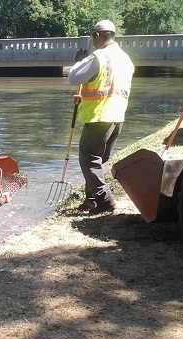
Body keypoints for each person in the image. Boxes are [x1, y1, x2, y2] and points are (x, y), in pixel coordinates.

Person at [68, 19, 134, 214]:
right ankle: (91, 201)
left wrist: (79, 61)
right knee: (99, 161)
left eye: (93, 37)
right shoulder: (125, 58)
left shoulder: (100, 56)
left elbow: (73, 77)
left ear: (97, 36)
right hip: (118, 116)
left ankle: (105, 200)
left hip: (100, 116)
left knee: (88, 159)